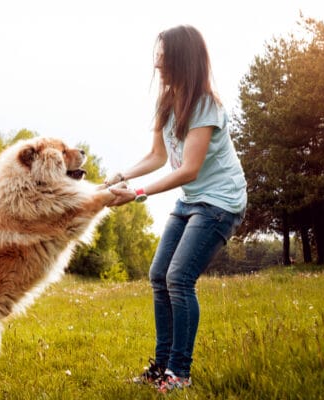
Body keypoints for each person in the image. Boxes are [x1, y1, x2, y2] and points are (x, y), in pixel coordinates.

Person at [106, 25, 247, 393]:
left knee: (179, 279)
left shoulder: (206, 105)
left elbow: (188, 168)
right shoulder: (167, 102)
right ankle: (161, 367)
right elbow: (158, 156)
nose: (157, 64)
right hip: (192, 199)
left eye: (163, 57)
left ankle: (179, 373)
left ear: (182, 60)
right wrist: (120, 175)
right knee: (158, 275)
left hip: (220, 201)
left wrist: (135, 192)